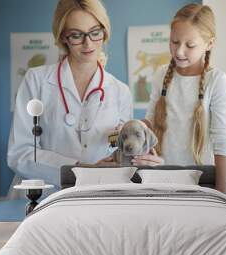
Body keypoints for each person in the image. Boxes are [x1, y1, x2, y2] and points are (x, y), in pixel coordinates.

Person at [7, 0, 132, 190]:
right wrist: (79, 170)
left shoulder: (120, 92)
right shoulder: (36, 81)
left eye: (95, 32)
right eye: (76, 35)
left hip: (95, 195)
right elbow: (20, 154)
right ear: (63, 37)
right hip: (43, 196)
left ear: (104, 32)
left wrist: (134, 154)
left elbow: (119, 154)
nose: (88, 43)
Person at [136, 4, 226, 193]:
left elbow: (221, 139)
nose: (179, 51)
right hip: (159, 176)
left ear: (209, 44)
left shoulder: (216, 80)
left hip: (200, 181)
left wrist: (222, 191)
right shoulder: (160, 75)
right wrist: (131, 127)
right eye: (174, 42)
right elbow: (150, 121)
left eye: (190, 45)